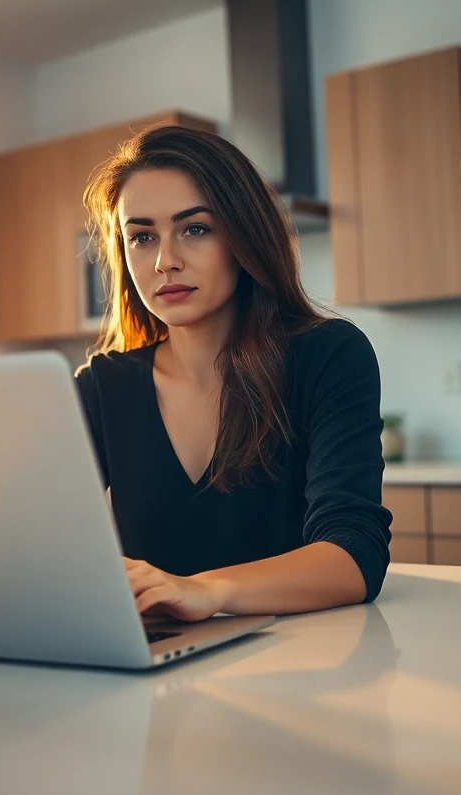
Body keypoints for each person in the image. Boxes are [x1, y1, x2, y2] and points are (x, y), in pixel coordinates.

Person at [75, 125, 391, 623]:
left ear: (244, 235)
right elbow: (37, 544)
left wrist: (205, 591)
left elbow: (354, 556)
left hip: (306, 658)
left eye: (195, 228)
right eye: (141, 237)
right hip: (162, 670)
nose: (165, 261)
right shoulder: (100, 387)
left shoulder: (329, 355)